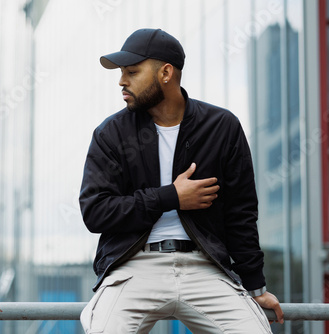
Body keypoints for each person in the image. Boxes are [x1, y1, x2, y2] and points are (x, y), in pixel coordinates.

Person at [79, 28, 284, 333]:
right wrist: (170, 197)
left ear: (166, 72)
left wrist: (255, 287)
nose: (122, 81)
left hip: (206, 268)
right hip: (133, 268)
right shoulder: (111, 134)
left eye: (132, 72)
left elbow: (240, 214)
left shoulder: (221, 127)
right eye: (122, 73)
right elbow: (96, 211)